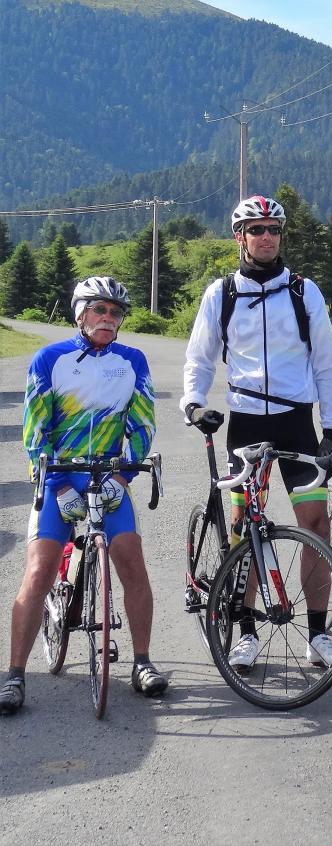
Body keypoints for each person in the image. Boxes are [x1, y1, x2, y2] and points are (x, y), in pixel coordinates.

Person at [181, 195, 332, 672]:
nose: (267, 236)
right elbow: (199, 357)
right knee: (244, 528)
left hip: (296, 421)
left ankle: (318, 633)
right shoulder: (222, 294)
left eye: (274, 229)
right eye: (257, 229)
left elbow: (326, 363)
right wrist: (193, 404)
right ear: (241, 238)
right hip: (246, 421)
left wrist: (331, 428)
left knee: (316, 523)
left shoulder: (303, 291)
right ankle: (246, 630)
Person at [2, 278, 166, 716]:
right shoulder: (50, 358)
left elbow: (143, 423)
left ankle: (143, 662)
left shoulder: (132, 360)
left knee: (131, 558)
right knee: (38, 571)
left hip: (109, 477)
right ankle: (15, 675)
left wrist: (126, 476)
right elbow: (34, 429)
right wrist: (57, 484)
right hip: (59, 475)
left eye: (116, 313)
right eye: (99, 309)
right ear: (80, 313)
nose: (108, 319)